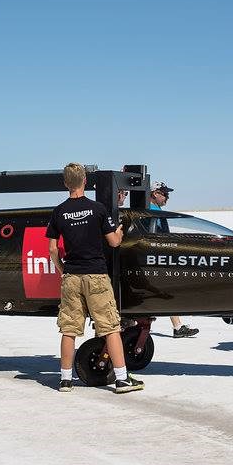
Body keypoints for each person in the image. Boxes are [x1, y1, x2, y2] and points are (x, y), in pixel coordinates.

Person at [47, 163, 143, 394]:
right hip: (96, 276)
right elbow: (114, 242)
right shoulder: (97, 209)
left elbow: (52, 249)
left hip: (72, 276)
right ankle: (121, 380)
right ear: (86, 182)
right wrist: (119, 231)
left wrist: (62, 270)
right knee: (110, 327)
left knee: (69, 329)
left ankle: (66, 380)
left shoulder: (59, 211)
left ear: (65, 183)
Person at [149, 181, 199, 338]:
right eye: (164, 193)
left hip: (156, 258)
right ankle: (177, 327)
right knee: (168, 290)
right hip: (156, 259)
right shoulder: (153, 212)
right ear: (154, 193)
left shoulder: (154, 211)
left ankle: (177, 326)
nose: (167, 197)